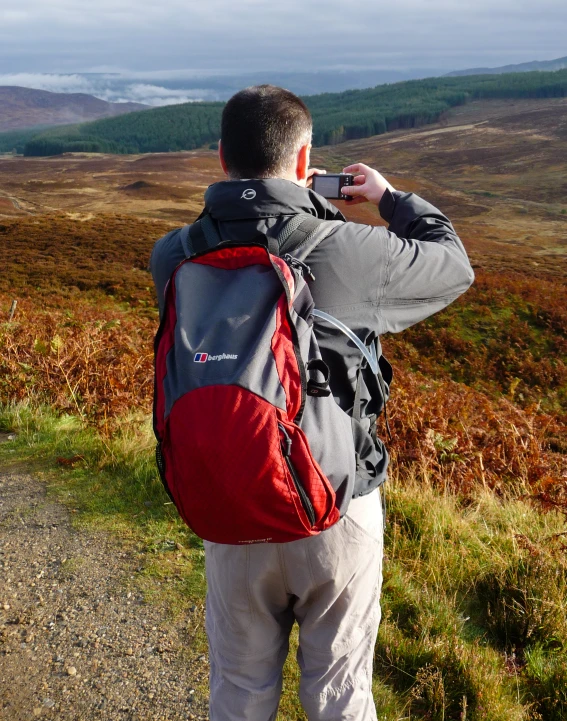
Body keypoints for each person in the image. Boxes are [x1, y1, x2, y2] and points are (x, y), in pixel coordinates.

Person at [150, 85, 474, 721]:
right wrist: (387, 200)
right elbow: (453, 265)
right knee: (338, 695)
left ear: (221, 158)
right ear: (305, 163)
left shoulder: (173, 255)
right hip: (335, 505)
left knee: (239, 693)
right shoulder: (345, 250)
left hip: (229, 503)